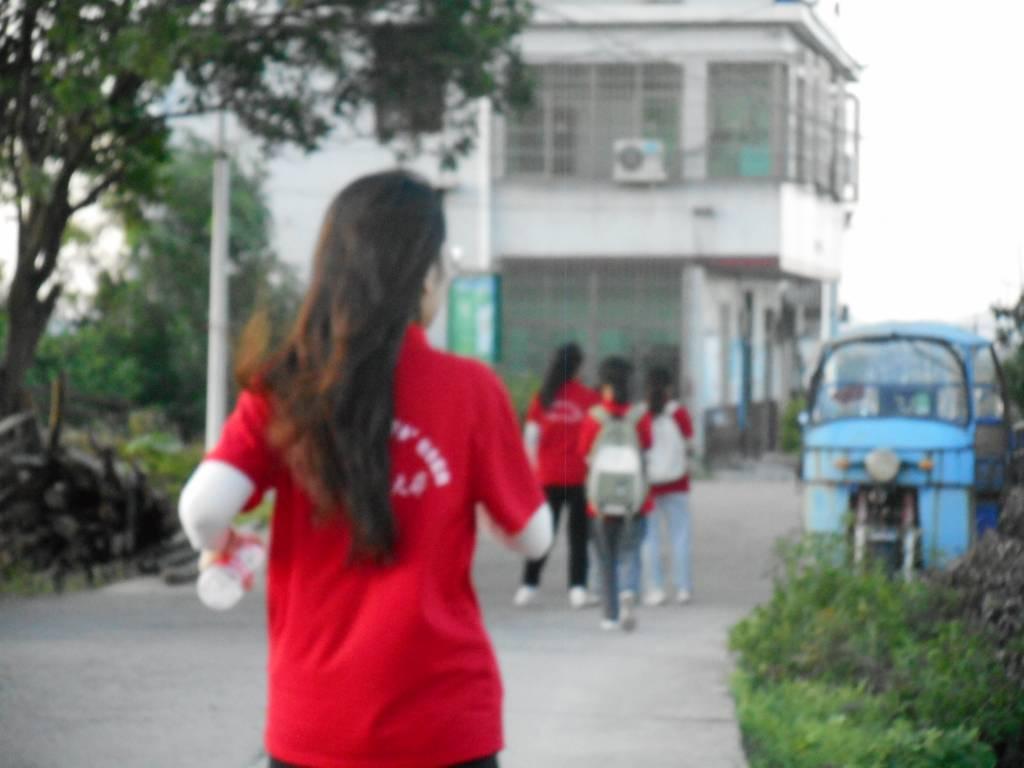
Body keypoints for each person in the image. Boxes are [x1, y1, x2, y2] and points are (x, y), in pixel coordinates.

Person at [178, 170, 553, 768]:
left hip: (314, 726)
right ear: (423, 274)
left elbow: (201, 509)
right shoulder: (471, 391)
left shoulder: (286, 388)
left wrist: (225, 544)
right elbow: (534, 536)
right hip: (446, 726)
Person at [515, 343, 600, 609]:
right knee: (578, 536)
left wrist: (531, 472)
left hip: (547, 478)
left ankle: (528, 585)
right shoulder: (588, 398)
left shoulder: (544, 398)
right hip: (579, 478)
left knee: (543, 534)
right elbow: (596, 437)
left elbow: (530, 437)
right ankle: (578, 589)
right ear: (578, 366)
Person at [578, 356, 652, 631]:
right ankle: (628, 591)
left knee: (605, 556)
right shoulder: (640, 417)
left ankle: (610, 615)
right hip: (635, 498)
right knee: (630, 549)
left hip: (601, 501)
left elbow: (584, 453)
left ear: (605, 385)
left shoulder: (594, 417)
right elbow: (647, 447)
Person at [641, 366, 696, 606]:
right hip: (677, 483)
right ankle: (683, 588)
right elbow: (691, 444)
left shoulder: (642, 414)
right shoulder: (679, 413)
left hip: (649, 486)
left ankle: (656, 588)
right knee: (680, 536)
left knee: (650, 539)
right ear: (670, 387)